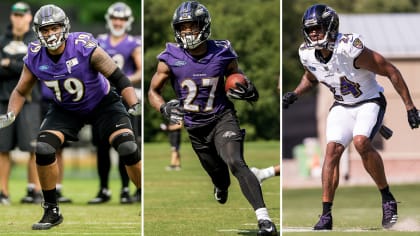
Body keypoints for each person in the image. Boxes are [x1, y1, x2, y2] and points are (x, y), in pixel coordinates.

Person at [0, 4, 141, 230]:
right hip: (65, 108)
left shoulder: (83, 46)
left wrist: (133, 103)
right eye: (45, 30)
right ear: (38, 32)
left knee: (127, 147)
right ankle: (51, 210)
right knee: (44, 148)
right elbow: (20, 90)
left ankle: (142, 191)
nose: (50, 34)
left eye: (54, 28)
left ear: (64, 27)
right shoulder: (35, 55)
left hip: (103, 104)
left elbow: (119, 77)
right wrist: (11, 113)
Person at [282, 4, 420, 230]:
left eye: (318, 27)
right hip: (342, 106)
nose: (314, 33)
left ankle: (387, 198)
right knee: (331, 151)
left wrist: (410, 107)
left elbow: (391, 70)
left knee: (360, 142)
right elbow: (311, 76)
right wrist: (295, 93)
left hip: (370, 101)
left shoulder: (349, 48)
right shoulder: (307, 53)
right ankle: (326, 214)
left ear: (331, 27)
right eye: (310, 29)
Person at [148, 2, 277, 235]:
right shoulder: (170, 55)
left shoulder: (222, 51)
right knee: (220, 178)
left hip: (222, 117)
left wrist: (248, 89)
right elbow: (153, 92)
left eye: (192, 26)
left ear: (204, 26)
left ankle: (264, 220)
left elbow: (237, 77)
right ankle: (220, 185)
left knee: (236, 162)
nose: (187, 32)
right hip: (195, 128)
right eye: (182, 27)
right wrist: (163, 108)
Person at [88, 2, 142, 205]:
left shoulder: (133, 43)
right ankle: (103, 189)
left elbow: (140, 70)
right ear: (109, 19)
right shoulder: (98, 41)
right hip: (100, 100)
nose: (118, 22)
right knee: (101, 147)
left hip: (124, 99)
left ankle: (126, 189)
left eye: (122, 19)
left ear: (128, 21)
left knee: (125, 145)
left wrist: (121, 78)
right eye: (115, 18)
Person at [0, 1, 41, 205]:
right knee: (2, 148)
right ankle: (3, 192)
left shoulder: (36, 40)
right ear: (11, 17)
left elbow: (35, 67)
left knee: (33, 148)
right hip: (3, 100)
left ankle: (34, 190)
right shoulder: (2, 40)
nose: (18, 17)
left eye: (22, 14)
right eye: (15, 14)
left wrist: (8, 63)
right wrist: (17, 65)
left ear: (29, 17)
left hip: (30, 101)